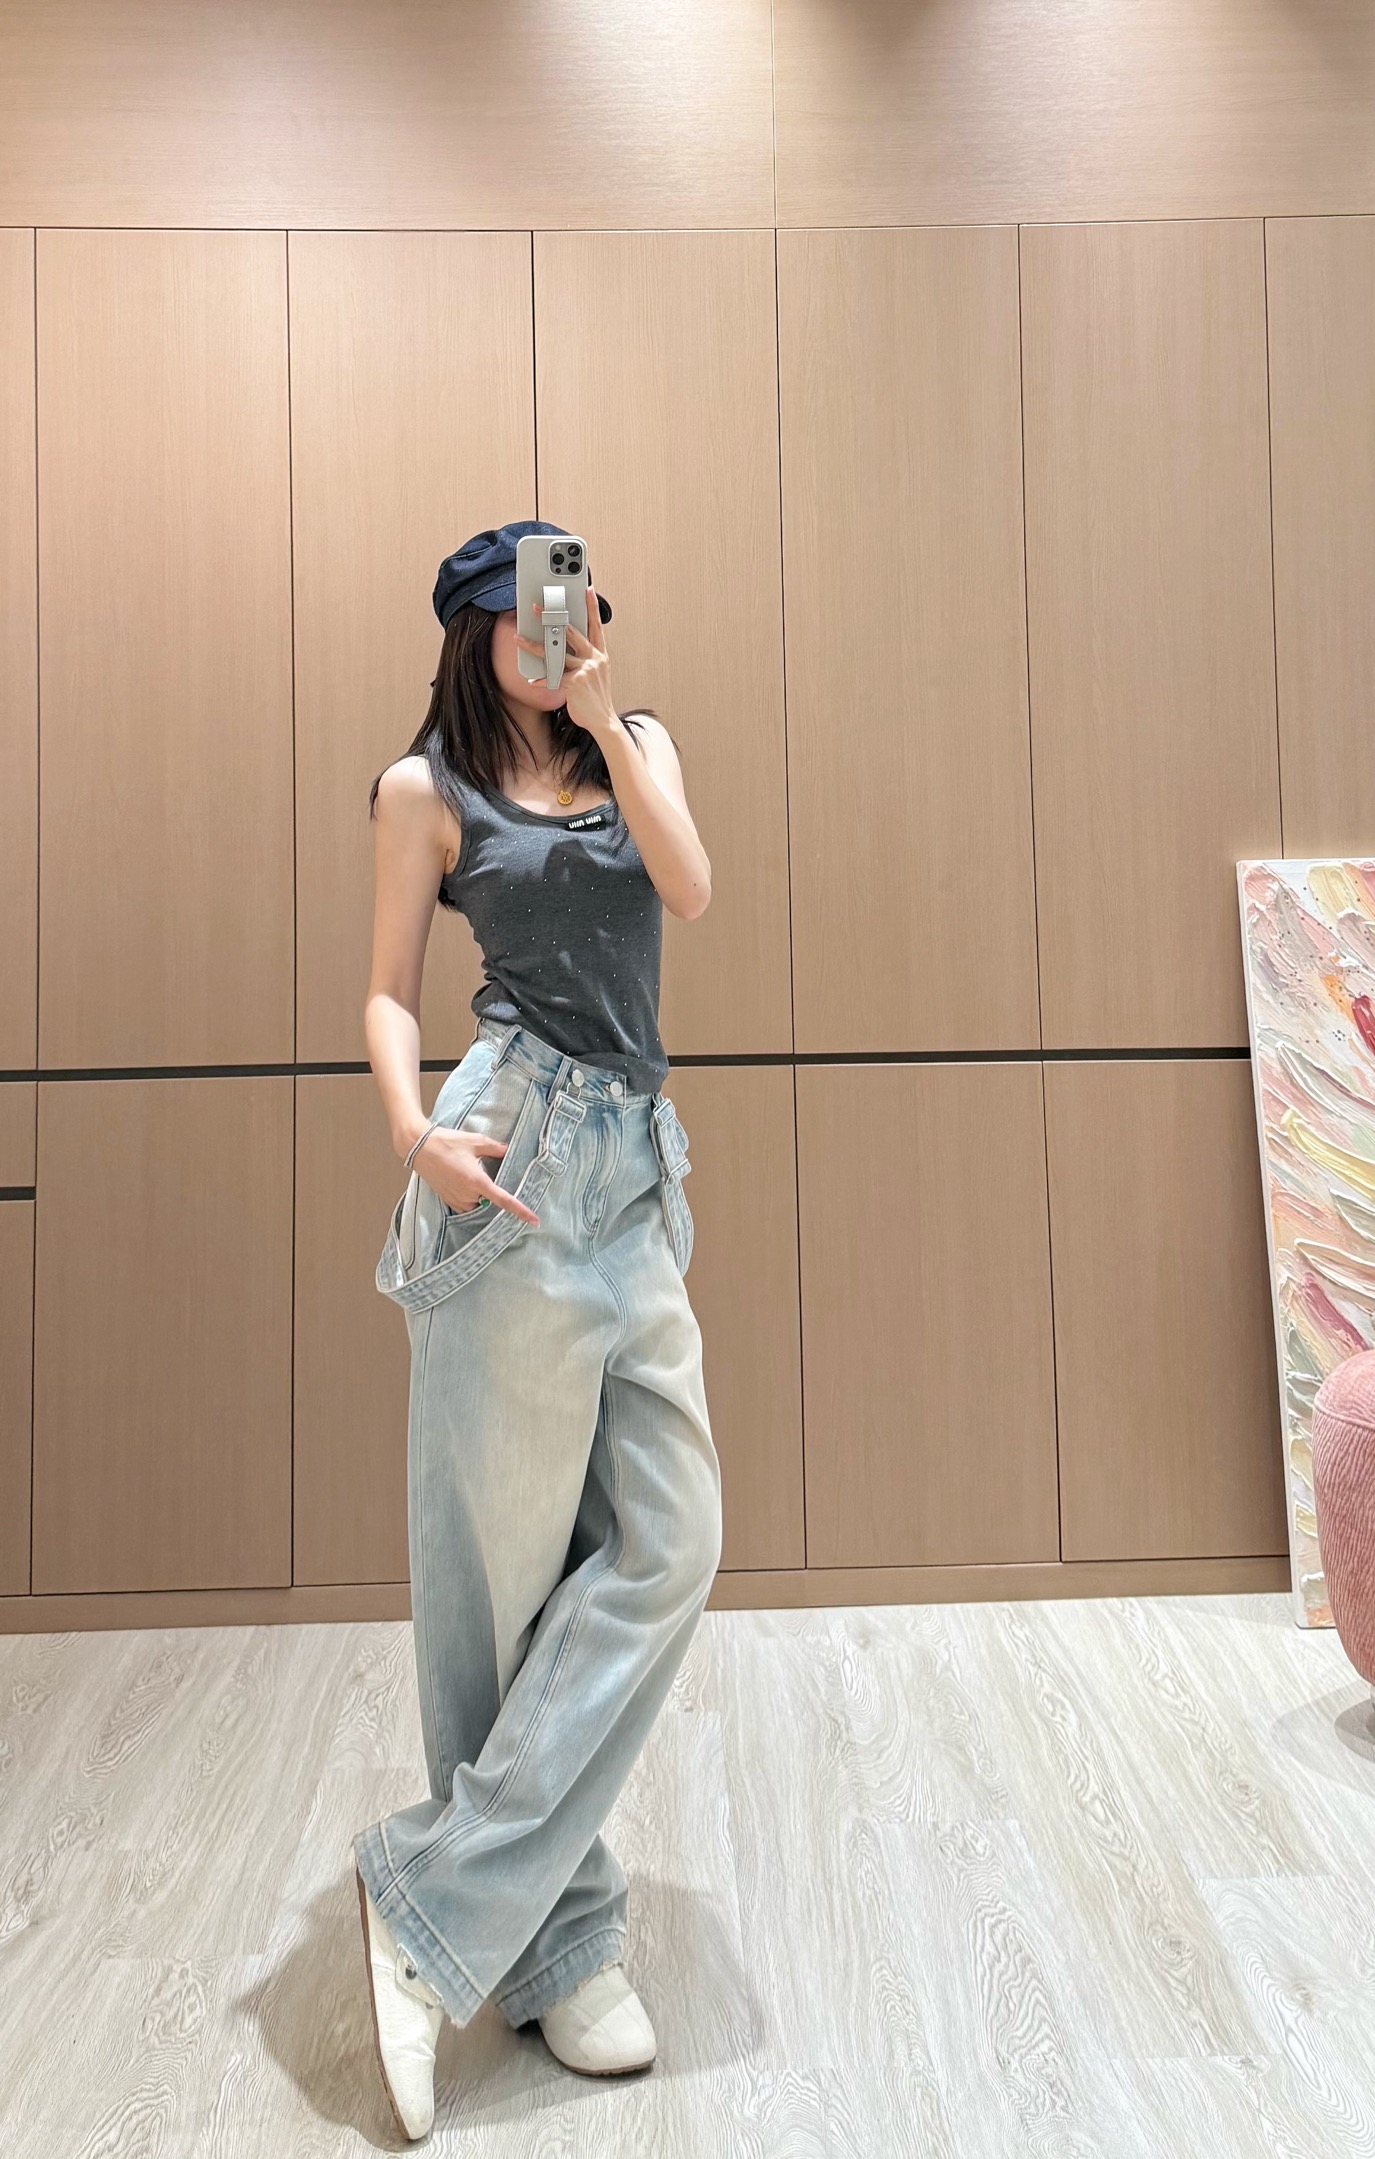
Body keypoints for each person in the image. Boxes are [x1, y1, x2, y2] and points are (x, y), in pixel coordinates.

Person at [350, 521, 723, 2141]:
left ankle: (431, 1899)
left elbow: (689, 888)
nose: (555, 632)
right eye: (526, 613)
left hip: (632, 1174)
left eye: (574, 606)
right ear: (474, 629)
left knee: (667, 1540)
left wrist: (611, 724)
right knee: (496, 1588)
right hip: (505, 1154)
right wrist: (411, 1126)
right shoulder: (422, 791)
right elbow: (387, 988)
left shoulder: (639, 747)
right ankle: (559, 1946)